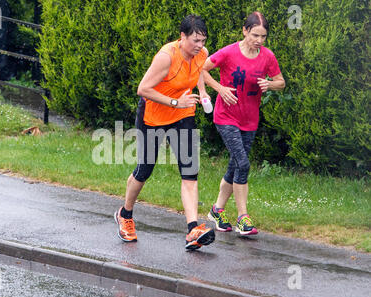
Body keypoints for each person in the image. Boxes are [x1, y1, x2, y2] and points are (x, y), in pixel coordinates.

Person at [114, 15, 215, 251]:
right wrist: (174, 102)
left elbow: (199, 70)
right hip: (154, 116)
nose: (200, 45)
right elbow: (143, 88)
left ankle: (192, 229)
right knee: (144, 169)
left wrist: (201, 91)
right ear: (182, 36)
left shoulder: (201, 53)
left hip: (183, 115)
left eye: (203, 40)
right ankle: (125, 214)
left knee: (190, 171)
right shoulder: (166, 56)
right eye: (195, 40)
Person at [201, 11, 285, 235]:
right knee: (244, 164)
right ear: (245, 31)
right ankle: (243, 218)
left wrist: (270, 84)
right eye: (255, 35)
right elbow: (201, 69)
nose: (259, 40)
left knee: (235, 164)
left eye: (263, 36)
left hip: (250, 119)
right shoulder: (228, 52)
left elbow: (281, 82)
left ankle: (217, 210)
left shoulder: (267, 56)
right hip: (226, 117)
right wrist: (219, 88)